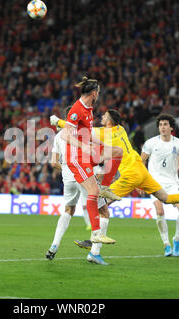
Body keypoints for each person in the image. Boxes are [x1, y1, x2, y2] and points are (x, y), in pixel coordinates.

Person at [52, 110, 179, 254]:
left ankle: (93, 242)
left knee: (100, 204)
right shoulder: (121, 129)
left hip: (130, 174)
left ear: (110, 120)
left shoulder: (106, 132)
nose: (101, 118)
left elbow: (80, 130)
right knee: (167, 198)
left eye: (104, 116)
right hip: (141, 169)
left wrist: (58, 122)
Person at [60, 76, 122, 245]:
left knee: (117, 151)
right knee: (93, 192)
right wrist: (83, 146)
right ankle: (96, 233)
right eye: (98, 92)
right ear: (94, 93)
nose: (99, 94)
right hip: (77, 158)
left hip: (88, 154)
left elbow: (87, 133)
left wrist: (100, 144)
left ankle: (106, 187)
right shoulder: (76, 109)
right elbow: (65, 135)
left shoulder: (89, 109)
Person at [47, 109, 111, 265]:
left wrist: (67, 171)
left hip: (68, 177)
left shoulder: (58, 136)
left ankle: (54, 246)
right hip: (84, 175)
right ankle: (95, 253)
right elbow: (97, 155)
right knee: (103, 211)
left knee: (68, 210)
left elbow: (53, 162)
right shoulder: (87, 133)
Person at [141, 113, 179, 257]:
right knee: (160, 211)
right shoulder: (150, 143)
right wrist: (141, 182)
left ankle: (176, 240)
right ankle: (166, 244)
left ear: (171, 127)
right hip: (155, 183)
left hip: (172, 184)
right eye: (160, 125)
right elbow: (141, 162)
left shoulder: (178, 144)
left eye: (165, 125)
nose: (162, 127)